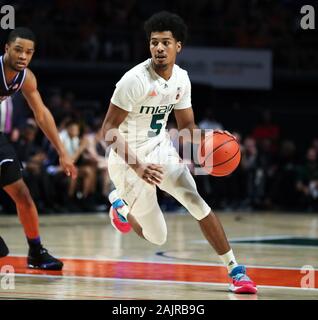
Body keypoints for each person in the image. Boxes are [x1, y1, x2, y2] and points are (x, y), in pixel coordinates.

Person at [102, 11, 257, 294]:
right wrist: (138, 167)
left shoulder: (182, 79)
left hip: (161, 150)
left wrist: (208, 146)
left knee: (195, 201)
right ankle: (120, 205)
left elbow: (187, 125)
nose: (159, 48)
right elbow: (108, 130)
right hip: (127, 161)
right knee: (157, 237)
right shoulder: (133, 80)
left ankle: (236, 270)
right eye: (154, 43)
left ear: (178, 46)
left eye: (165, 43)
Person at [0, 27, 77, 269]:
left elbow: (42, 114)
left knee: (22, 194)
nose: (23, 56)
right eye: (18, 50)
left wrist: (63, 152)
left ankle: (36, 252)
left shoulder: (27, 78)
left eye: (29, 52)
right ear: (6, 49)